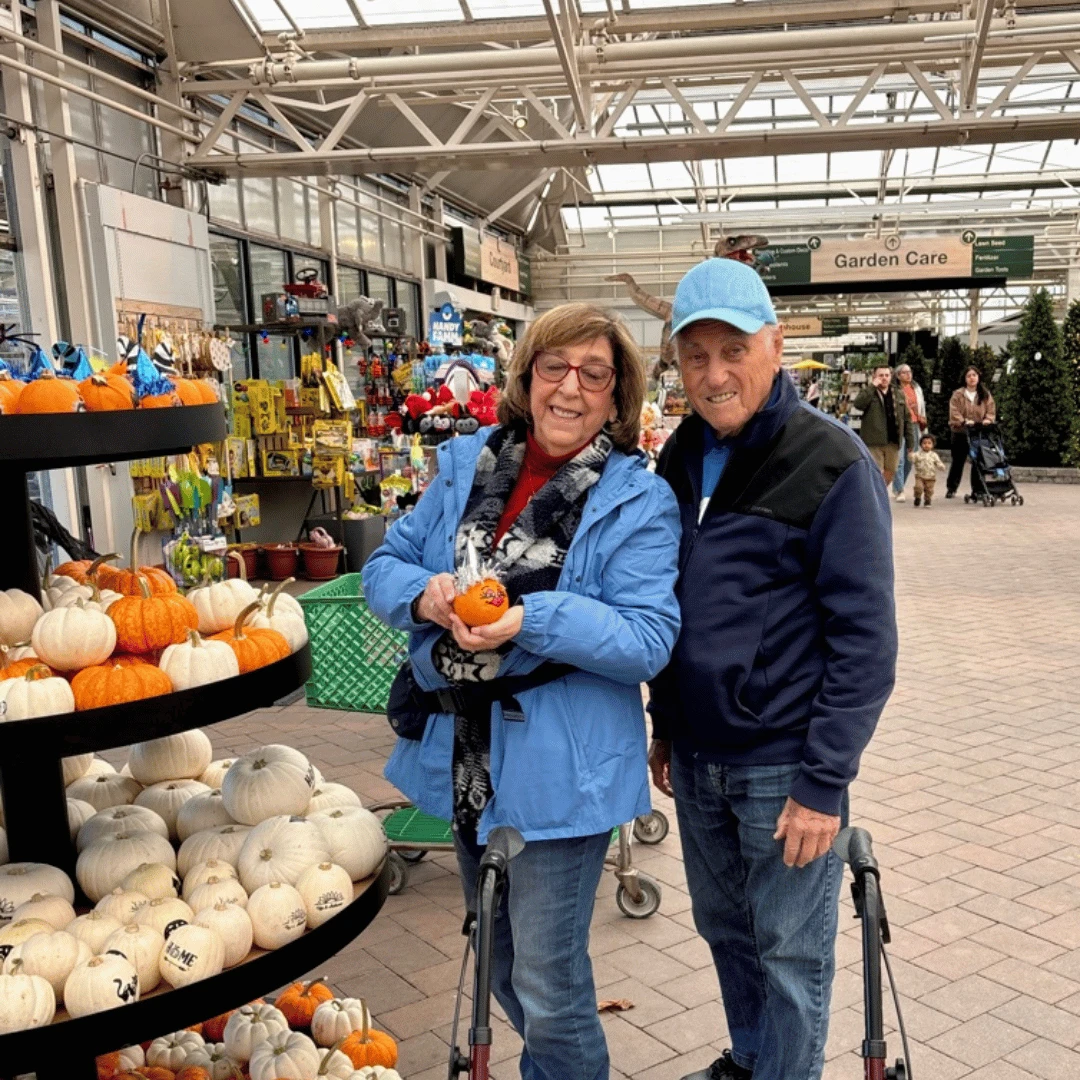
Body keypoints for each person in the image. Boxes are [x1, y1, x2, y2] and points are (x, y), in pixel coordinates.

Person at [362, 303, 681, 1080]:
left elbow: (646, 639)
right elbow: (384, 566)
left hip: (562, 767)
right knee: (502, 963)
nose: (570, 388)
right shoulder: (466, 464)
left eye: (594, 374)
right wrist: (429, 597)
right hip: (471, 755)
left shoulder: (638, 498)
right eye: (554, 368)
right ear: (526, 377)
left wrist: (530, 619)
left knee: (548, 978)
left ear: (616, 395)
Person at [646, 259, 897, 1080]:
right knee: (726, 931)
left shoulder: (833, 462)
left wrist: (824, 782)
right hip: (697, 758)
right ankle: (753, 1059)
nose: (715, 375)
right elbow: (668, 603)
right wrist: (665, 722)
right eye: (695, 356)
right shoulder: (680, 456)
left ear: (775, 345)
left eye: (734, 350)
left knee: (791, 953)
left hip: (783, 768)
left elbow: (866, 641)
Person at [852, 365, 917, 499]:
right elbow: (858, 404)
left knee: (891, 470)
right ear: (875, 377)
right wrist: (872, 387)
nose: (884, 378)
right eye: (880, 375)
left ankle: (877, 491)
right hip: (873, 440)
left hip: (893, 440)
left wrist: (910, 441)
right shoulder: (869, 392)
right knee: (875, 471)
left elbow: (907, 418)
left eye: (887, 375)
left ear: (891, 377)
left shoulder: (898, 393)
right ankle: (875, 497)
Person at [946, 365, 996, 499]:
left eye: (974, 375)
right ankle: (952, 488)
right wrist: (963, 421)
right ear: (965, 379)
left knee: (978, 461)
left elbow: (991, 410)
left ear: (978, 377)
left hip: (978, 432)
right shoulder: (958, 394)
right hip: (961, 432)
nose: (972, 378)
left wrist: (988, 419)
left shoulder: (985, 394)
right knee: (958, 461)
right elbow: (954, 410)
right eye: (969, 376)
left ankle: (978, 489)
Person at [893, 362, 927, 497]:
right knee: (899, 459)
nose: (908, 375)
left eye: (910, 372)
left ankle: (900, 485)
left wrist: (923, 421)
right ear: (898, 375)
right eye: (904, 372)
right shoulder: (894, 390)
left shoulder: (916, 388)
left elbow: (921, 407)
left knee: (910, 458)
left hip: (914, 425)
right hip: (900, 425)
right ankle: (899, 489)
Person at [911, 432, 946, 507]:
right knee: (918, 487)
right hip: (920, 475)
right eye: (924, 443)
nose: (926, 445)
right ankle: (917, 497)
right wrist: (910, 456)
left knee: (929, 490)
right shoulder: (918, 454)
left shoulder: (934, 455)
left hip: (931, 476)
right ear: (921, 444)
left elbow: (938, 462)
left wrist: (941, 466)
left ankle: (927, 500)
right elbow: (913, 459)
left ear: (933, 445)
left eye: (929, 443)